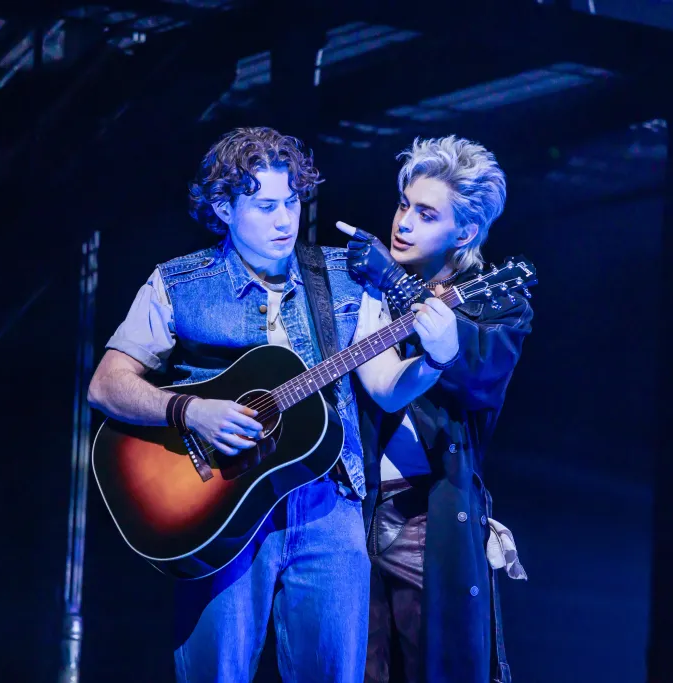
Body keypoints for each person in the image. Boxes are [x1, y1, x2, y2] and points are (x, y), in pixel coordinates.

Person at [87, 126, 463, 682]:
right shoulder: (178, 282)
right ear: (223, 205)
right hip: (222, 507)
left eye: (291, 201)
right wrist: (190, 411)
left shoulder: (344, 276)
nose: (286, 220)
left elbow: (384, 385)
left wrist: (434, 360)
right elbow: (106, 385)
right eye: (265, 206)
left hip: (327, 502)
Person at [337, 135, 533, 683]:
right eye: (404, 205)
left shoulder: (496, 299)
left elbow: (479, 377)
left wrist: (395, 283)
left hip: (426, 517)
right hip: (347, 509)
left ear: (464, 232)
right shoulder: (360, 288)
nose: (404, 222)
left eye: (426, 214)